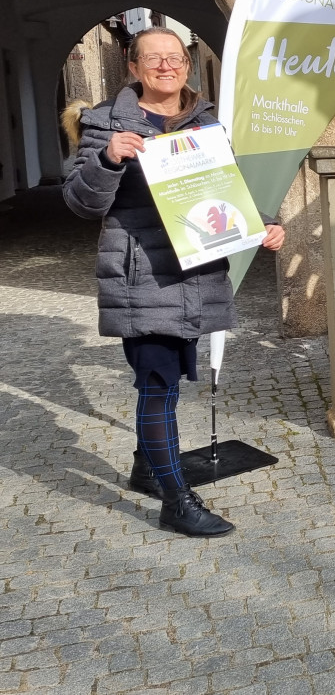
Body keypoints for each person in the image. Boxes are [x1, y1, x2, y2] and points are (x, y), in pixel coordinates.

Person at [62, 26, 285, 536]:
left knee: (168, 382)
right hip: (144, 275)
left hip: (197, 273)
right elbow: (80, 202)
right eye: (154, 59)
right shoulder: (105, 124)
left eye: (176, 58)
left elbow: (225, 190)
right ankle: (176, 503)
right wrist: (108, 158)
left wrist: (263, 222)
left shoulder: (204, 121)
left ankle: (148, 467)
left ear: (187, 65)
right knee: (157, 386)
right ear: (134, 67)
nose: (167, 66)